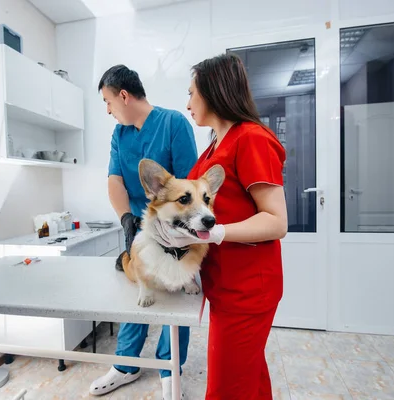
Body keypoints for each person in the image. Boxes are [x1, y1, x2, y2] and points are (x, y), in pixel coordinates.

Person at [152, 54, 288, 399]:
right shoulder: (215, 145)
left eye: (191, 93)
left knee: (226, 388)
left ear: (212, 92)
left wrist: (218, 232)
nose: (187, 103)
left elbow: (276, 221)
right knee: (250, 378)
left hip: (247, 289)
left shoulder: (250, 139)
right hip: (226, 283)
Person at [89, 65, 198, 398]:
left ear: (123, 95)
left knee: (173, 301)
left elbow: (188, 189)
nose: (107, 110)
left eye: (108, 102)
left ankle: (169, 369)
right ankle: (126, 364)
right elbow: (115, 181)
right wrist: (125, 218)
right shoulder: (120, 135)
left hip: (176, 234)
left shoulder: (173, 124)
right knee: (138, 296)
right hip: (140, 232)